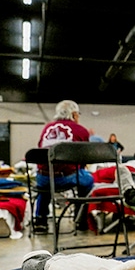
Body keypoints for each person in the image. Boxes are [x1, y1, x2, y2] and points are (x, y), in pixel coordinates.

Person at [34, 100, 93, 234]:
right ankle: (80, 217)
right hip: (67, 177)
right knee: (88, 180)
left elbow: (40, 149)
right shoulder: (81, 130)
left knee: (45, 185)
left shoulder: (47, 128)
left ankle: (40, 219)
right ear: (74, 114)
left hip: (43, 177)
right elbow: (85, 157)